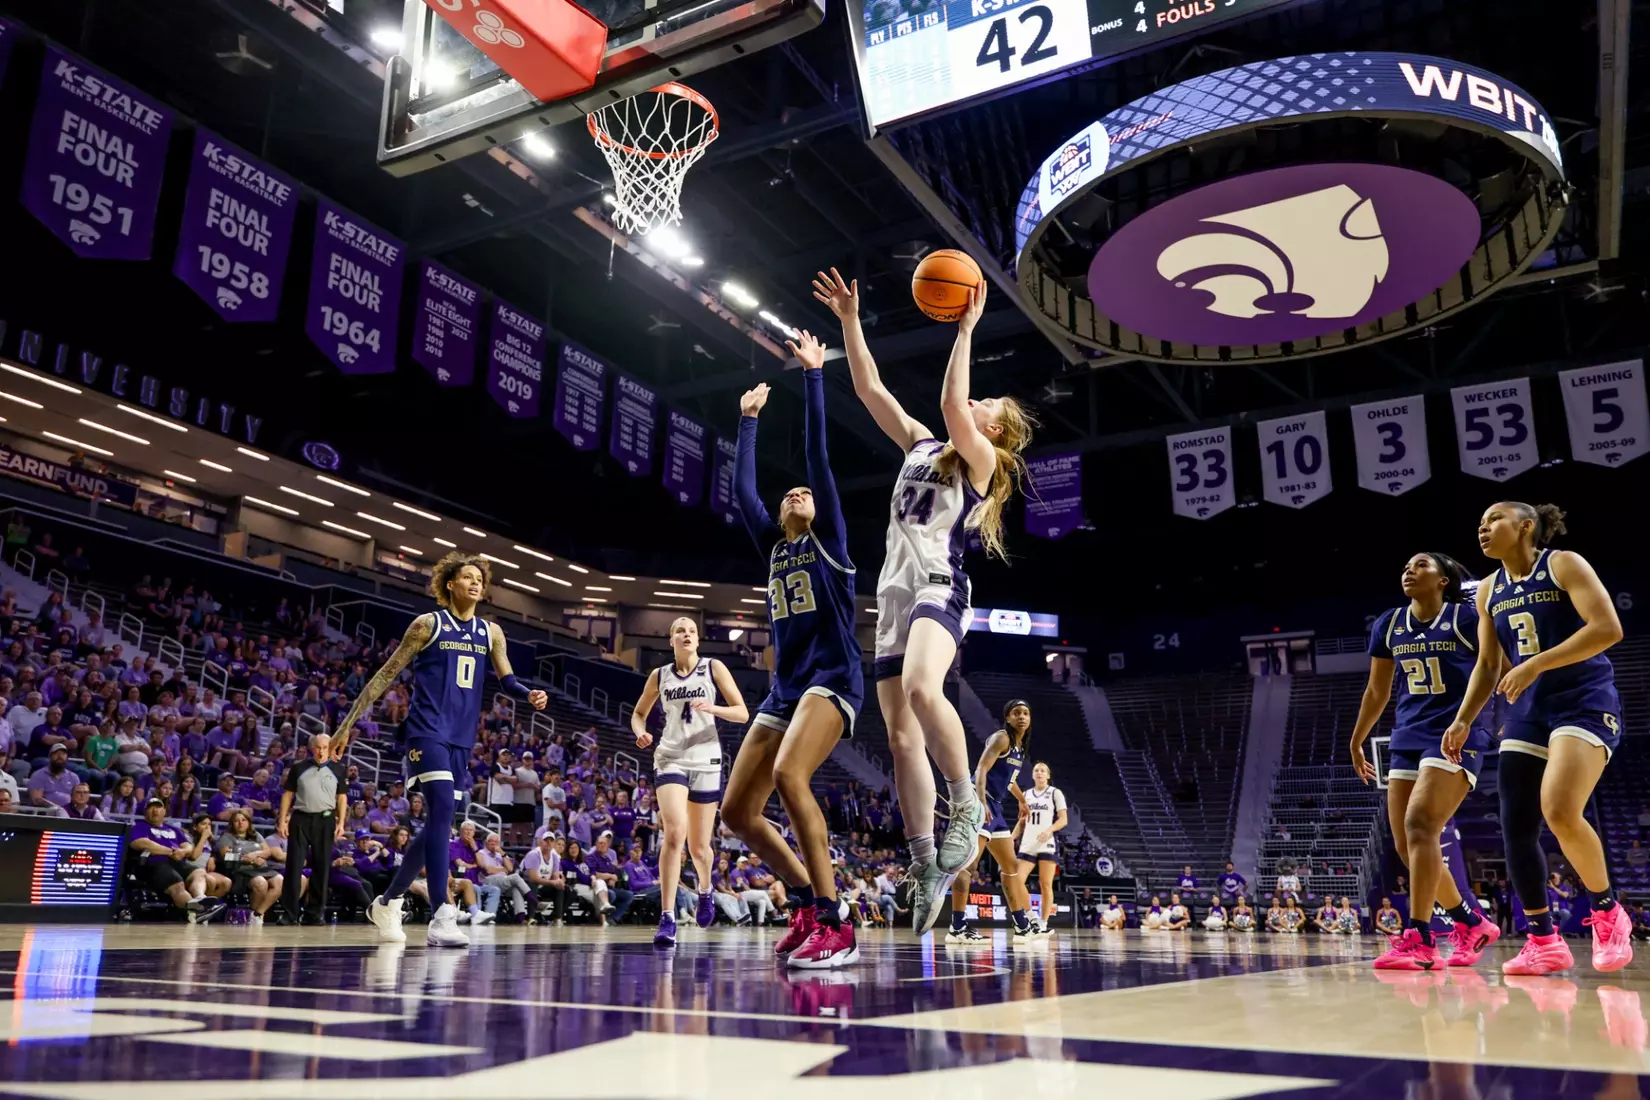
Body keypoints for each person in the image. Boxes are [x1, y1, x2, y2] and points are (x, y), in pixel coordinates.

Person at [816, 268, 1033, 936]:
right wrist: (851, 321)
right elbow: (869, 389)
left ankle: (966, 806)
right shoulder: (920, 446)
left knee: (919, 690)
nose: (976, 407)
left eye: (986, 407)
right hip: (891, 591)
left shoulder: (981, 462)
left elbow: (950, 405)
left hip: (940, 585)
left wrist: (966, 330)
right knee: (901, 736)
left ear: (994, 432)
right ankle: (924, 864)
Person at [722, 330, 864, 971]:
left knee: (788, 776)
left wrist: (813, 376)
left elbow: (819, 458)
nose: (797, 493)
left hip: (833, 678)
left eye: (803, 493)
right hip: (785, 689)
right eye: (789, 496)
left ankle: (838, 921)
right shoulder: (775, 547)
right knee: (737, 814)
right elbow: (742, 496)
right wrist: (747, 422)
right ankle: (805, 902)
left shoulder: (830, 537)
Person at [1446, 502, 1632, 975]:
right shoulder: (1488, 589)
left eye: (1493, 520)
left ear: (1525, 526)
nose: (1482, 528)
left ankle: (1608, 913)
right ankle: (1543, 941)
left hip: (1583, 701)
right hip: (1528, 712)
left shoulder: (1564, 563)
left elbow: (1608, 628)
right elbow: (1489, 664)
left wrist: (1535, 664)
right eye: (1480, 522)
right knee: (1516, 824)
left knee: (1560, 808)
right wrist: (1464, 719)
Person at [335, 553, 548, 948]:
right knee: (444, 815)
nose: (474, 584)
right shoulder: (427, 625)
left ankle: (388, 901)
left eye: (479, 580)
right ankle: (441, 914)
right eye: (467, 577)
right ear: (449, 583)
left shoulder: (491, 633)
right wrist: (347, 726)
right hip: (426, 731)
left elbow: (508, 680)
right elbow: (386, 674)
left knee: (439, 823)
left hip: (461, 738)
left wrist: (528, 693)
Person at [1351, 551, 1500, 970]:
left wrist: (1477, 720)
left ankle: (1419, 938)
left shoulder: (1466, 619)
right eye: (1405, 566)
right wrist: (1357, 739)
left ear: (1443, 580)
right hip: (1408, 735)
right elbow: (1377, 691)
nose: (1408, 571)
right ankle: (1469, 922)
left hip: (1456, 732)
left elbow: (1495, 668)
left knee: (1421, 827)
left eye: (1420, 565)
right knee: (1406, 843)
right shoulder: (1390, 623)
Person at [630, 616, 748, 946]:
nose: (686, 635)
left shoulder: (714, 668)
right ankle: (667, 917)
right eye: (680, 631)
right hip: (670, 758)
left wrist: (714, 709)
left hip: (707, 760)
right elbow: (638, 713)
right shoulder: (660, 675)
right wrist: (641, 733)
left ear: (698, 640)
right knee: (674, 833)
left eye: (692, 631)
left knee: (698, 847)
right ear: (671, 640)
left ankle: (705, 888)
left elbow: (742, 712)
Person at [946, 699, 1036, 944]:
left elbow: (1008, 780)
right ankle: (957, 927)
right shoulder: (1001, 738)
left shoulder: (1019, 748)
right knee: (969, 866)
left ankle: (1021, 924)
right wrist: (981, 801)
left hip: (995, 808)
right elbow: (981, 770)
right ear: (1007, 718)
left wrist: (1021, 800)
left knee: (1011, 867)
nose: (1022, 717)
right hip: (980, 802)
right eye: (1016, 713)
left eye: (1026, 713)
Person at [276, 733, 347, 925]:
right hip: (300, 818)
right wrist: (282, 821)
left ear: (330, 748)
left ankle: (314, 913)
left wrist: (341, 823)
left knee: (322, 867)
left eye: (325, 747)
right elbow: (287, 795)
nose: (321, 751)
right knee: (294, 865)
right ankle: (289, 913)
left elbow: (342, 797)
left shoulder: (338, 769)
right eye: (318, 747)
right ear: (311, 748)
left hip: (326, 820)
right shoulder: (299, 768)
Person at [127, 798, 225, 922]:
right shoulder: (140, 827)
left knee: (199, 872)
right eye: (151, 807)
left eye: (158, 807)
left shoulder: (174, 830)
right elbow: (140, 843)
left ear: (164, 811)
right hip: (154, 864)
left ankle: (201, 899)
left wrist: (183, 852)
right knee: (178, 885)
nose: (155, 810)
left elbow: (188, 846)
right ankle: (198, 909)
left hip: (177, 862)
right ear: (145, 811)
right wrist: (171, 852)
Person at [1013, 762, 1066, 932]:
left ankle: (1044, 922)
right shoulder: (1025, 795)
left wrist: (1049, 830)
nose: (1039, 773)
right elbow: (1021, 822)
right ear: (1032, 775)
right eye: (1036, 770)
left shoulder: (1054, 793)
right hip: (1028, 842)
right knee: (1017, 879)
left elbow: (1063, 820)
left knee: (1045, 884)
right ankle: (1030, 915)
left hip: (1046, 843)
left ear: (1048, 775)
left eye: (1043, 770)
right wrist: (1011, 838)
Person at [216, 809, 284, 925]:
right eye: (236, 821)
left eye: (243, 820)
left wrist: (256, 855)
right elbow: (226, 856)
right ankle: (254, 913)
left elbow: (267, 851)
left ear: (248, 822)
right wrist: (248, 860)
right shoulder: (227, 837)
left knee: (280, 881)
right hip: (241, 870)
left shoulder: (256, 835)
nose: (240, 823)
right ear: (232, 823)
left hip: (261, 868)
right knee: (261, 883)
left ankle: (258, 913)